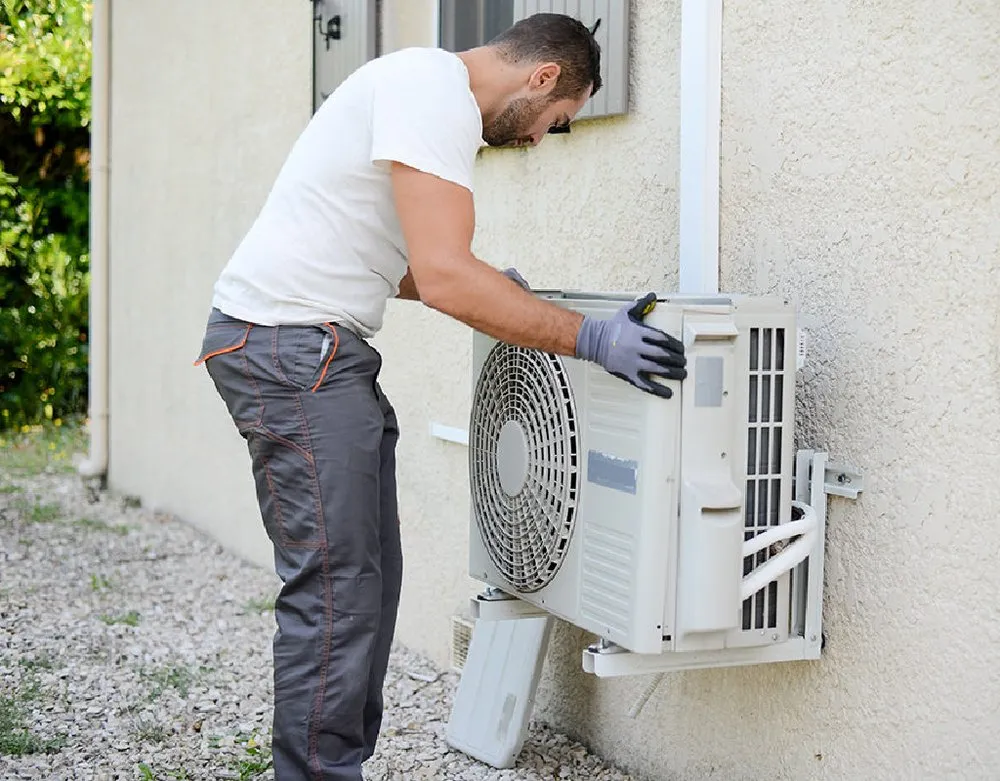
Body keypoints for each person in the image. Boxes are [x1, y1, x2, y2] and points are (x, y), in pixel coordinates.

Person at [194, 12, 687, 781]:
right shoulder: (434, 95)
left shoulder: (414, 89)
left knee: (367, 579)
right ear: (543, 77)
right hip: (294, 353)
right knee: (337, 590)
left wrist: (497, 292)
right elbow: (450, 275)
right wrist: (590, 338)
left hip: (302, 348)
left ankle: (333, 766)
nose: (538, 141)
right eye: (557, 123)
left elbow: (397, 265)